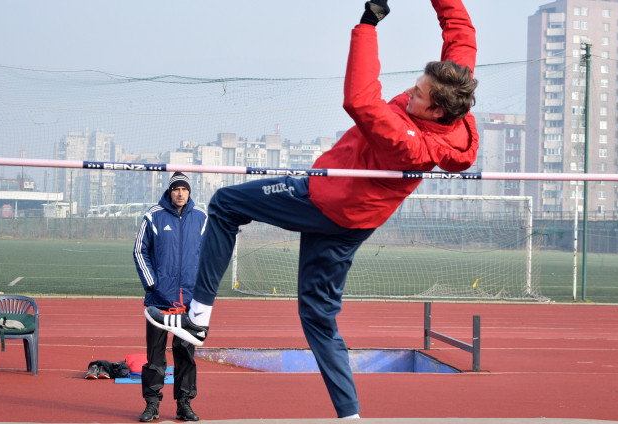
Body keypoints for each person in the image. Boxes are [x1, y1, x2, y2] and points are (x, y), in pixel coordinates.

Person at [146, 0, 478, 419]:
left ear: (435, 110)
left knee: (226, 204)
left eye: (416, 93)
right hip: (354, 224)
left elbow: (360, 99)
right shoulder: (456, 89)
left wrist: (367, 25)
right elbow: (460, 31)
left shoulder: (410, 142)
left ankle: (196, 317)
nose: (409, 92)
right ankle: (350, 415)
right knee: (318, 315)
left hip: (322, 199)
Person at [134, 172, 208, 422]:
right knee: (155, 356)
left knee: (185, 355)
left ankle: (184, 405)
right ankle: (152, 404)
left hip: (189, 303)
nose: (180, 193)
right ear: (170, 191)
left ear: (189, 192)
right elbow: (139, 250)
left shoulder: (201, 218)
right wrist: (152, 283)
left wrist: (202, 290)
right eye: (176, 188)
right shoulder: (153, 215)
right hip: (159, 301)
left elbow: (211, 255)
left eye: (184, 189)